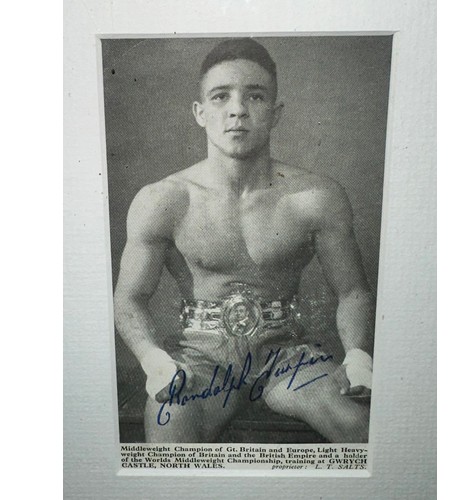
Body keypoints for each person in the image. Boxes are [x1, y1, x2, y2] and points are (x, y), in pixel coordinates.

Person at [114, 38, 374, 443]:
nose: (237, 110)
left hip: (288, 354)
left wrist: (358, 355)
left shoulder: (316, 198)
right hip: (200, 357)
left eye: (255, 95)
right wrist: (154, 360)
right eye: (220, 97)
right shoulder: (164, 200)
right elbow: (129, 298)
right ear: (200, 113)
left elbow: (353, 290)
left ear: (275, 112)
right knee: (169, 426)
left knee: (360, 426)